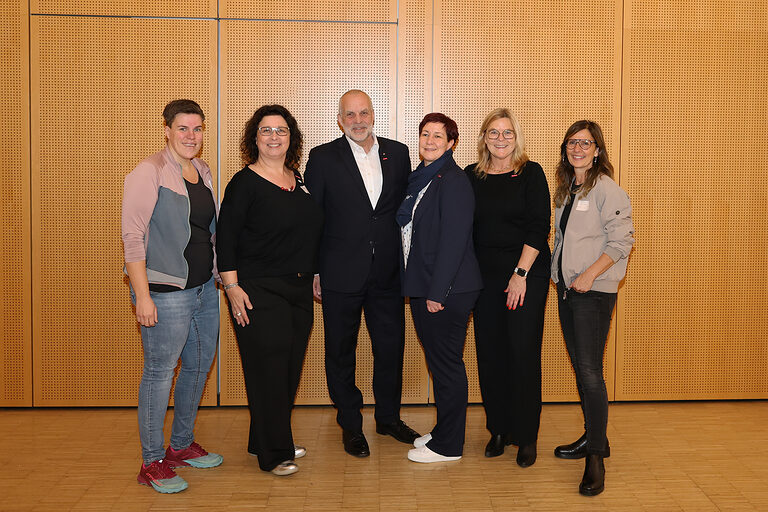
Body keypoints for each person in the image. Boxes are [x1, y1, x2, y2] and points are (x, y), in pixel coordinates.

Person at [304, 90, 420, 457]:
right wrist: (314, 270)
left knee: (391, 348)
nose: (357, 120)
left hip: (388, 272)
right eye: (349, 114)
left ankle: (388, 418)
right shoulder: (322, 157)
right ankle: (350, 425)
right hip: (339, 271)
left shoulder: (399, 153)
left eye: (364, 112)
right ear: (339, 120)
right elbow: (313, 219)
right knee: (340, 350)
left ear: (374, 115)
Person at [217, 105, 323, 476]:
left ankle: (262, 437)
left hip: (298, 288)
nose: (274, 136)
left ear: (291, 138)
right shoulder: (244, 183)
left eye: (281, 130)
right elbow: (226, 240)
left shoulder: (300, 180)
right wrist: (231, 288)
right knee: (269, 370)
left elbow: (310, 233)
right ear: (254, 138)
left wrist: (314, 272)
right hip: (257, 289)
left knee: (288, 369)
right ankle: (275, 453)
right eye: (266, 130)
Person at [122, 99, 222, 494]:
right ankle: (151, 460)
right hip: (165, 293)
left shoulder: (202, 170)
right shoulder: (148, 172)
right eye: (183, 128)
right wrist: (142, 297)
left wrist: (219, 279)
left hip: (202, 290)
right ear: (166, 130)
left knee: (198, 368)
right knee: (160, 373)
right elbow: (133, 238)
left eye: (197, 129)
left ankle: (180, 446)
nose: (190, 136)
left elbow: (208, 232)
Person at [551, 120, 634, 496]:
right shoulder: (570, 189)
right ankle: (592, 437)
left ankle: (596, 459)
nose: (578, 149)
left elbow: (621, 243)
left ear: (598, 150)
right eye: (572, 142)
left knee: (590, 373)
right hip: (568, 291)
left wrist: (588, 276)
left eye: (585, 143)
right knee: (584, 371)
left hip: (593, 292)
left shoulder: (607, 190)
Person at [464, 109, 551, 467]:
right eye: (494, 133)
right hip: (483, 276)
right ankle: (498, 429)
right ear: (484, 138)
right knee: (490, 352)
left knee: (522, 351)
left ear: (517, 138)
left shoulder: (531, 173)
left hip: (525, 273)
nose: (501, 140)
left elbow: (538, 226)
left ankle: (526, 435)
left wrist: (519, 274)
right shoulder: (472, 175)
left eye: (508, 133)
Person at [399, 113, 482, 463]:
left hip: (447, 290)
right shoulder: (421, 178)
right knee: (440, 363)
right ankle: (446, 429)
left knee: (447, 366)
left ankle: (449, 446)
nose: (430, 141)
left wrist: (437, 293)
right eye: (425, 134)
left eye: (439, 136)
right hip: (425, 284)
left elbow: (453, 241)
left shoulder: (453, 180)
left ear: (452, 144)